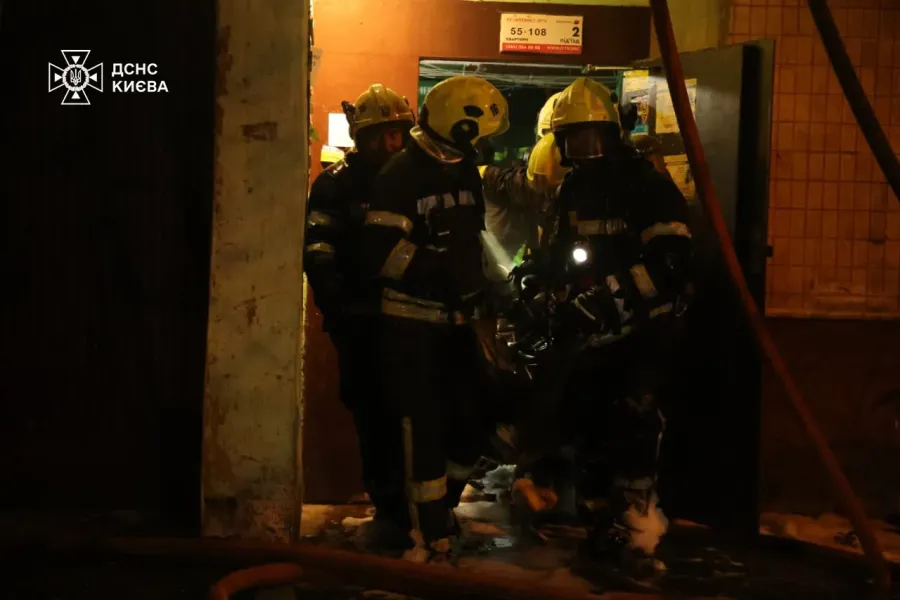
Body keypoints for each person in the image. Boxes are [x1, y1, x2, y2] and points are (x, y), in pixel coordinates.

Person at [539, 76, 695, 579]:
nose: (584, 149)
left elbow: (672, 262)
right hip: (591, 338)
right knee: (586, 426)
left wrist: (610, 298)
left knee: (635, 425)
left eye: (592, 137)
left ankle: (638, 527)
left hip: (642, 334)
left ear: (613, 134)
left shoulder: (646, 185)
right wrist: (542, 285)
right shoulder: (571, 188)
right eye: (573, 139)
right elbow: (557, 254)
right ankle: (597, 522)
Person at [360, 75, 509, 562]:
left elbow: (474, 240)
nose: (482, 147)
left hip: (457, 321)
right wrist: (438, 268)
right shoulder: (400, 174)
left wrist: (490, 285)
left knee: (472, 420)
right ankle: (425, 537)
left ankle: (441, 510)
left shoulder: (464, 170)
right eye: (479, 136)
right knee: (420, 429)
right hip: (411, 325)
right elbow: (380, 253)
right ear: (459, 127)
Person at [303, 84, 415, 552]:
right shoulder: (335, 185)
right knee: (373, 417)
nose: (391, 144)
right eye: (381, 135)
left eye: (398, 133)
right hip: (361, 324)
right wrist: (340, 311)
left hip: (411, 323)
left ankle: (424, 511)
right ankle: (389, 511)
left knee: (417, 413)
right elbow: (318, 252)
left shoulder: (415, 180)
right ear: (360, 137)